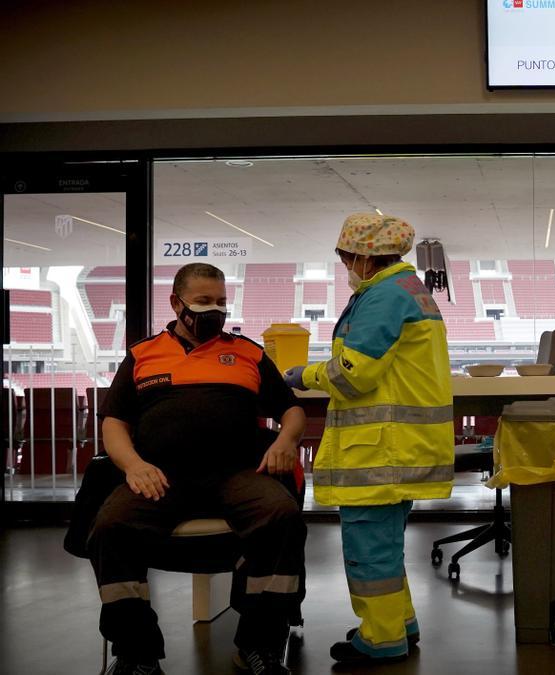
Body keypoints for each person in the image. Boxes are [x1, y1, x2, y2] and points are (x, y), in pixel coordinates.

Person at [90, 263, 307, 675]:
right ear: (176, 303)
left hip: (237, 475)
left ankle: (258, 645)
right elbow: (114, 422)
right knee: (110, 527)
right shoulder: (142, 355)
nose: (215, 310)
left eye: (222, 301)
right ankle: (138, 654)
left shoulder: (248, 353)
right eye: (204, 301)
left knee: (281, 517)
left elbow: (291, 409)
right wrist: (134, 465)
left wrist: (285, 440)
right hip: (161, 478)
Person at [283, 213, 454, 665]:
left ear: (361, 256)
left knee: (369, 551)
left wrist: (304, 374)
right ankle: (401, 624)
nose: (345, 266)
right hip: (400, 448)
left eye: (344, 258)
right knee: (386, 546)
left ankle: (380, 640)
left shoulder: (382, 297)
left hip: (381, 452)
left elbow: (353, 374)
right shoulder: (406, 291)